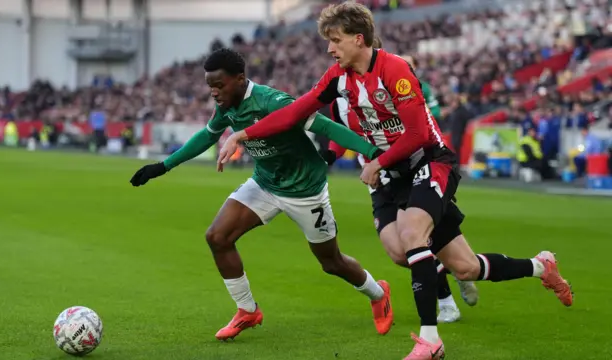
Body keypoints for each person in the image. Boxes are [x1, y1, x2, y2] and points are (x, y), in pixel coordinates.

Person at [217, 3, 573, 359]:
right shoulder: (338, 78)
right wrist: (242, 135)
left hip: (429, 162)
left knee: (413, 236)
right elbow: (295, 111)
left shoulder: (395, 69)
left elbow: (418, 133)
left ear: (359, 39)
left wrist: (378, 162)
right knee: (445, 262)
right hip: (393, 176)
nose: (330, 48)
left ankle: (431, 340)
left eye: (335, 40)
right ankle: (540, 266)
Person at [129, 48, 393, 342]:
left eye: (220, 85)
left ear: (240, 79)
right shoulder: (227, 105)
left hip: (306, 190)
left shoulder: (273, 101)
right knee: (217, 237)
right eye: (210, 87)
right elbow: (207, 135)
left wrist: (372, 153)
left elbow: (326, 126)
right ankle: (247, 310)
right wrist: (163, 166)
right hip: (265, 184)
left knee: (331, 263)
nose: (214, 93)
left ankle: (378, 292)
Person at [325, 35, 478, 324]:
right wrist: (329, 158)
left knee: (415, 240)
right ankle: (449, 270)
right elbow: (339, 133)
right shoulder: (341, 94)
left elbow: (422, 120)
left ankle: (443, 307)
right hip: (379, 179)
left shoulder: (397, 81)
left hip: (413, 167)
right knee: (399, 253)